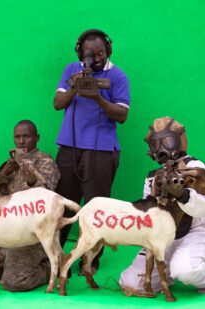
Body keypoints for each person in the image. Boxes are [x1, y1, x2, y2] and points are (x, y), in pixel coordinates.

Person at [53, 29, 130, 272]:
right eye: (90, 54)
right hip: (69, 148)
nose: (95, 58)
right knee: (64, 205)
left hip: (101, 151)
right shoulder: (70, 70)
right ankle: (54, 257)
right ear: (79, 52)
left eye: (101, 53)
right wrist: (75, 87)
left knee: (96, 208)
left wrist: (97, 97)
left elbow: (122, 115)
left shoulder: (118, 76)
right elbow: (57, 104)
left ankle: (90, 261)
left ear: (109, 51)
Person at [119, 117, 205, 296]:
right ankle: (168, 272)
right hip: (164, 238)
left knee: (187, 270)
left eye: (166, 141)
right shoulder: (152, 177)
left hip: (195, 232)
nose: (161, 149)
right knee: (132, 283)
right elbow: (148, 217)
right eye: (155, 144)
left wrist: (183, 194)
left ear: (179, 140)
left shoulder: (194, 167)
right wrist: (154, 198)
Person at [0, 120, 60, 291]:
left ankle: (50, 265)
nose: (21, 141)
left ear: (37, 138)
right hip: (7, 233)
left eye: (27, 136)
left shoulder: (45, 162)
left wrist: (27, 167)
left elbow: (44, 198)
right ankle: (12, 264)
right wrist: (4, 172)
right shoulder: (10, 164)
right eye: (17, 137)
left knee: (14, 282)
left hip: (32, 236)